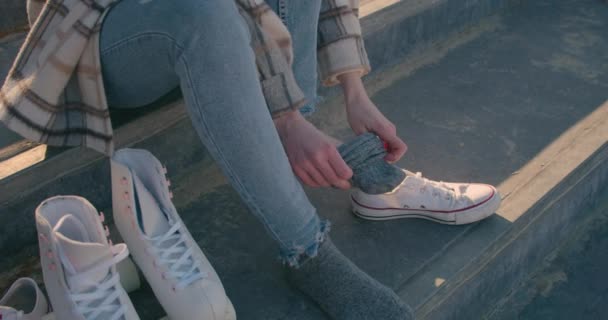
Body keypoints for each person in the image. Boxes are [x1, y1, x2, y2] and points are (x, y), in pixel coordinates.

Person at [1, 0, 500, 318]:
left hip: (221, 29)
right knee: (204, 12)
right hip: (104, 33)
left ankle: (325, 155)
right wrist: (282, 117)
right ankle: (308, 253)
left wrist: (354, 90)